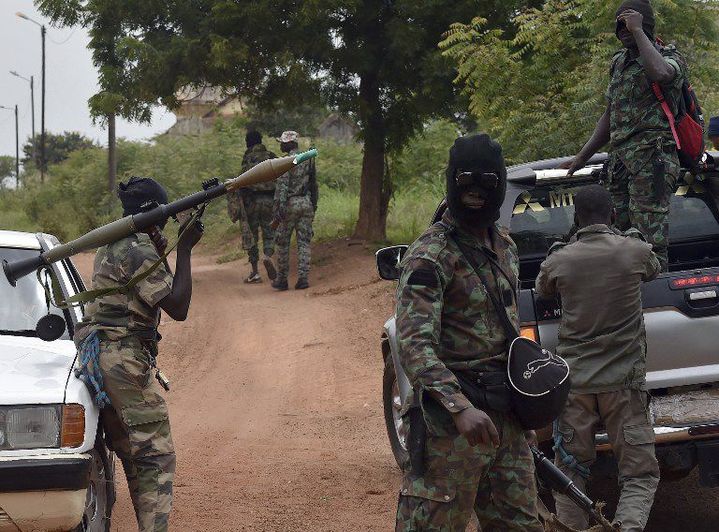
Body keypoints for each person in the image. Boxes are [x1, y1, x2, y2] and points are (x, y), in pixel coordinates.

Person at [394, 134, 543, 531]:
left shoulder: (505, 248)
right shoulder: (430, 256)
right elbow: (413, 345)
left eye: (487, 182)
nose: (475, 192)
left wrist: (523, 411)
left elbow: (511, 334)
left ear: (500, 182)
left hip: (504, 419)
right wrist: (459, 407)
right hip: (449, 427)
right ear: (450, 180)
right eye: (464, 181)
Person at [74, 177, 203, 531]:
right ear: (154, 213)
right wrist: (186, 248)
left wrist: (162, 249)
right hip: (123, 361)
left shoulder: (116, 243)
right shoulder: (136, 248)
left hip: (106, 358)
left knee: (134, 453)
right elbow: (178, 306)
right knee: (156, 457)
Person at [536, 184, 661, 531]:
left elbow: (542, 287)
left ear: (576, 219)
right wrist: (630, 234)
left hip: (574, 387)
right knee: (639, 474)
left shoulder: (560, 260)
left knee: (569, 475)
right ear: (614, 216)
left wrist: (563, 246)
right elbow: (654, 267)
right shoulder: (634, 251)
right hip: (624, 385)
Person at [564, 0, 688, 271]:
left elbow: (662, 74)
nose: (622, 29)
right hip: (620, 162)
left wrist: (639, 32)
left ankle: (655, 300)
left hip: (651, 159)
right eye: (619, 24)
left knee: (648, 241)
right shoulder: (618, 63)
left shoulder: (668, 56)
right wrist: (581, 157)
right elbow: (610, 115)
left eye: (628, 23)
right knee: (612, 234)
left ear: (643, 24)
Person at [272, 130, 318, 291]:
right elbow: (314, 184)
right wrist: (314, 205)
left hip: (290, 205)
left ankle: (282, 280)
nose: (281, 145)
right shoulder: (308, 159)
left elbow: (282, 187)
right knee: (304, 242)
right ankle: (303, 278)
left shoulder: (286, 161)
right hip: (306, 203)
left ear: (288, 144)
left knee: (283, 243)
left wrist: (278, 210)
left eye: (282, 143)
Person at [231, 130, 278, 284]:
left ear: (248, 142)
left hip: (252, 202)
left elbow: (242, 180)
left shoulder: (248, 158)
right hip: (270, 201)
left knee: (252, 236)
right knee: (269, 232)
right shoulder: (271, 156)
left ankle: (255, 272)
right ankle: (268, 256)